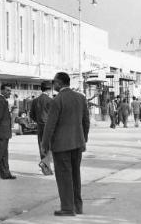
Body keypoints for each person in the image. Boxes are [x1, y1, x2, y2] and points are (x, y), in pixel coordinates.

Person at [42, 71, 90, 217]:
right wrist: (83, 138)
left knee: (64, 176)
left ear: (60, 83)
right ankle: (77, 206)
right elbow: (86, 121)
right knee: (76, 175)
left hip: (61, 145)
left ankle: (67, 208)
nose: (53, 84)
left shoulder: (58, 100)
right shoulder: (80, 98)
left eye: (54, 82)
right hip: (77, 143)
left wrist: (44, 144)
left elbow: (50, 125)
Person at [29, 81, 53, 176]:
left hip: (40, 126)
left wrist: (38, 121)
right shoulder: (50, 100)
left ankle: (47, 170)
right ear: (49, 90)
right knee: (51, 147)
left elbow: (31, 115)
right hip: (49, 126)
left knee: (42, 147)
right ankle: (44, 163)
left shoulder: (35, 101)